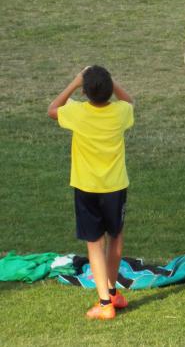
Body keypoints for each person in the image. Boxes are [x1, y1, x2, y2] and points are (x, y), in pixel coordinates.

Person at [48, 66, 134, 320]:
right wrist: (112, 82)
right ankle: (112, 292)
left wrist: (73, 83)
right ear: (110, 89)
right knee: (115, 237)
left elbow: (52, 109)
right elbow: (129, 101)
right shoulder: (121, 112)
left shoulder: (76, 111)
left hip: (86, 188)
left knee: (95, 244)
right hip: (115, 187)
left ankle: (105, 303)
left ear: (85, 92)